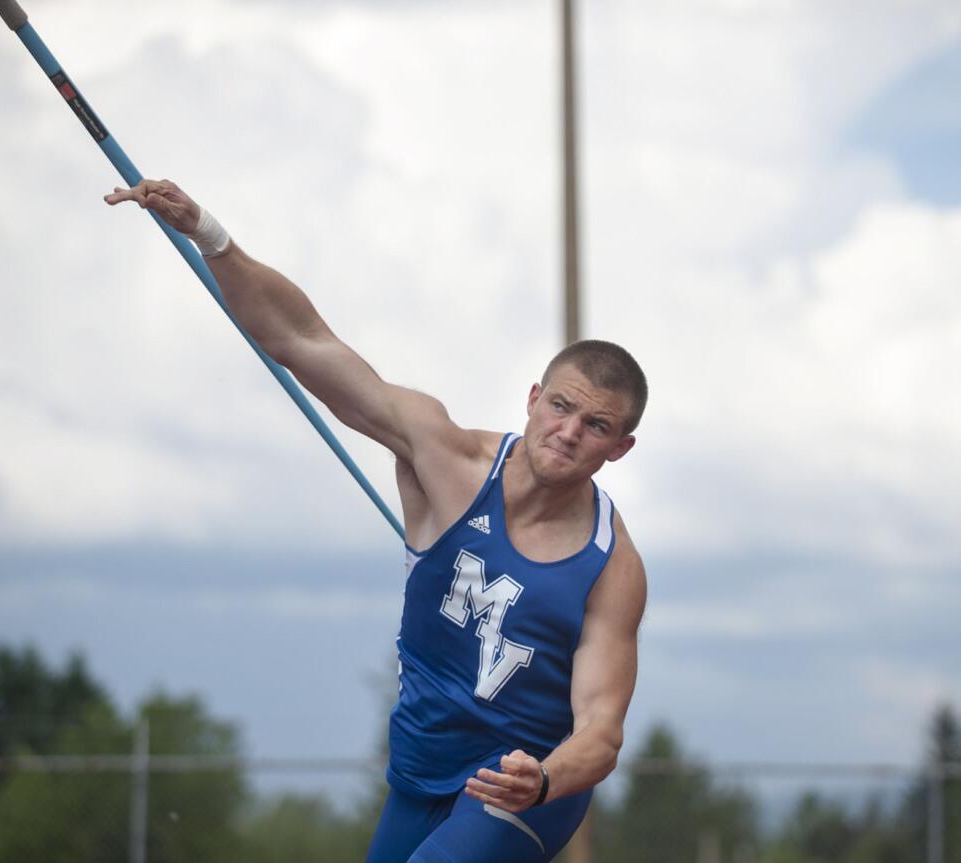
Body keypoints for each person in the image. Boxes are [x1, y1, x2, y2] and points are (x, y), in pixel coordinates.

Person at [105, 180, 648, 863]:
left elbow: (601, 728)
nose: (569, 432)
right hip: (419, 768)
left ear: (619, 447)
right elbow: (304, 341)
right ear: (534, 398)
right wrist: (210, 234)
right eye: (562, 406)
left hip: (522, 790)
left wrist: (543, 778)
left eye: (596, 425)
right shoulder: (443, 455)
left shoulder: (611, 564)